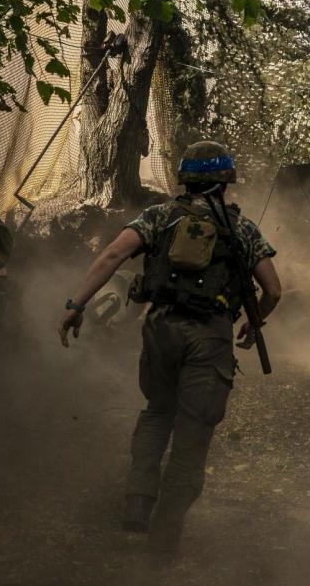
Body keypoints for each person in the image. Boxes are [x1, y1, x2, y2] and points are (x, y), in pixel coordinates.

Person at [57, 140, 282, 554]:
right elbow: (273, 289)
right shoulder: (242, 229)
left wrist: (77, 305)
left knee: (158, 411)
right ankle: (166, 533)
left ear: (185, 179)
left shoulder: (159, 216)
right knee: (193, 431)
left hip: (161, 329)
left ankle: (138, 506)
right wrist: (254, 322)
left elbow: (111, 256)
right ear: (226, 181)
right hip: (210, 336)